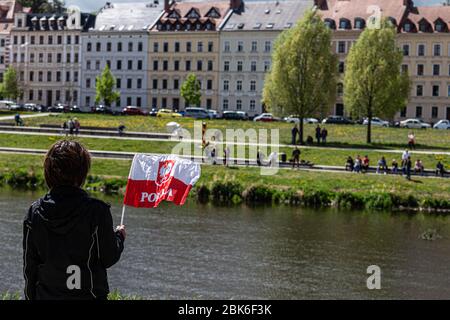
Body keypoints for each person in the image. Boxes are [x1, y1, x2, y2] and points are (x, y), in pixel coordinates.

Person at [23, 140, 125, 300]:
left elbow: (30, 267)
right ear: (82, 173)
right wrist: (119, 237)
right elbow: (108, 258)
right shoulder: (97, 211)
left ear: (48, 172)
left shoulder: (34, 212)